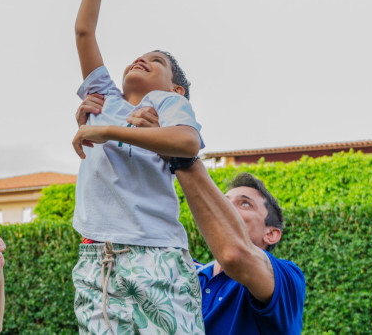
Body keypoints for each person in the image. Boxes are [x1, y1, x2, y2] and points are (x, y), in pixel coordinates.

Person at [69, 0, 205, 335]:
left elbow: (187, 142)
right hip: (96, 257)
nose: (141, 59)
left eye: (156, 60)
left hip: (156, 252)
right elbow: (83, 33)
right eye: (138, 57)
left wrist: (109, 131)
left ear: (175, 87)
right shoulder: (103, 98)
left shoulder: (168, 106)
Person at [78, 95, 306, 334]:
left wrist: (178, 154)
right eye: (224, 201)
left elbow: (235, 254)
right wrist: (101, 128)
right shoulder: (181, 271)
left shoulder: (288, 279)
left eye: (245, 204)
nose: (227, 208)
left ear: (271, 233)